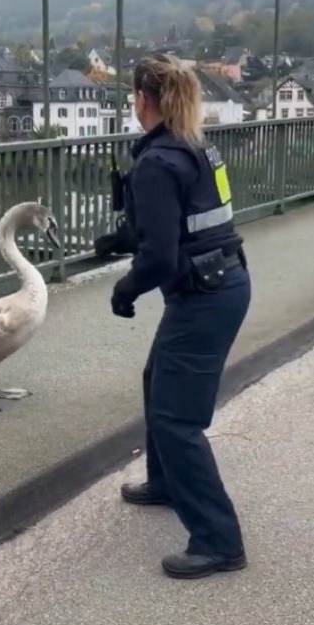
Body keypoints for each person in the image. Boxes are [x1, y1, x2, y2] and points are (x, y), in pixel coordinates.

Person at [109, 53, 252, 580]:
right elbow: (186, 221)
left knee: (177, 419)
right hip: (223, 282)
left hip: (203, 296)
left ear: (142, 100)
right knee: (158, 382)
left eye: (132, 95)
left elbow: (161, 257)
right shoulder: (193, 145)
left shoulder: (156, 161)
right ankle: (166, 482)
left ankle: (219, 540)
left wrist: (126, 289)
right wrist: (123, 239)